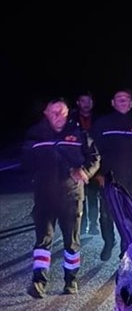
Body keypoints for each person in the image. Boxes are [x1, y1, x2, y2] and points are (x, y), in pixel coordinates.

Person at [22, 96, 101, 297]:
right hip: (44, 196)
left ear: (68, 113)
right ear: (46, 113)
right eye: (54, 112)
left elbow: (94, 157)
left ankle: (70, 281)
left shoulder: (79, 133)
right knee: (42, 242)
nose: (59, 116)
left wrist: (85, 171)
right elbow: (26, 162)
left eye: (63, 113)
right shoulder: (34, 135)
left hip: (71, 196)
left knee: (71, 242)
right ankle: (39, 282)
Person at [93, 88, 132, 261]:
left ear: (130, 104)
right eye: (119, 98)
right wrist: (97, 173)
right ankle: (109, 241)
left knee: (130, 215)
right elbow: (92, 150)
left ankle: (126, 250)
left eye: (126, 99)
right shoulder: (102, 123)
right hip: (108, 177)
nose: (123, 101)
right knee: (106, 215)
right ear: (112, 103)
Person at [74, 91, 101, 235]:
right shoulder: (71, 119)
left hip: (94, 162)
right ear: (78, 103)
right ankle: (81, 224)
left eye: (88, 101)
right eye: (83, 101)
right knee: (79, 197)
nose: (86, 104)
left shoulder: (99, 120)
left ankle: (93, 224)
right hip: (77, 162)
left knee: (93, 196)